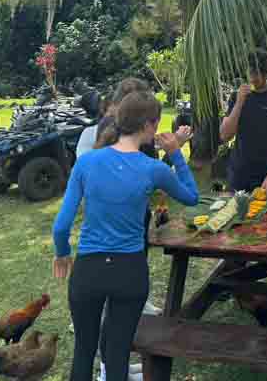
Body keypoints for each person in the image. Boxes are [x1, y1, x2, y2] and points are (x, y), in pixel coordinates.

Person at [53, 90, 199, 381]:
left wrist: (62, 253)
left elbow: (61, 226)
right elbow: (192, 197)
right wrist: (175, 154)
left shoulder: (86, 163)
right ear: (149, 125)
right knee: (117, 357)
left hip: (88, 271)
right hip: (129, 272)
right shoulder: (153, 168)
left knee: (83, 353)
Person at [219, 51, 267, 197]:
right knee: (234, 218)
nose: (254, 78)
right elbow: (224, 135)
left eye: (259, 73)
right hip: (238, 176)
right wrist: (239, 103)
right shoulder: (237, 97)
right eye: (252, 72)